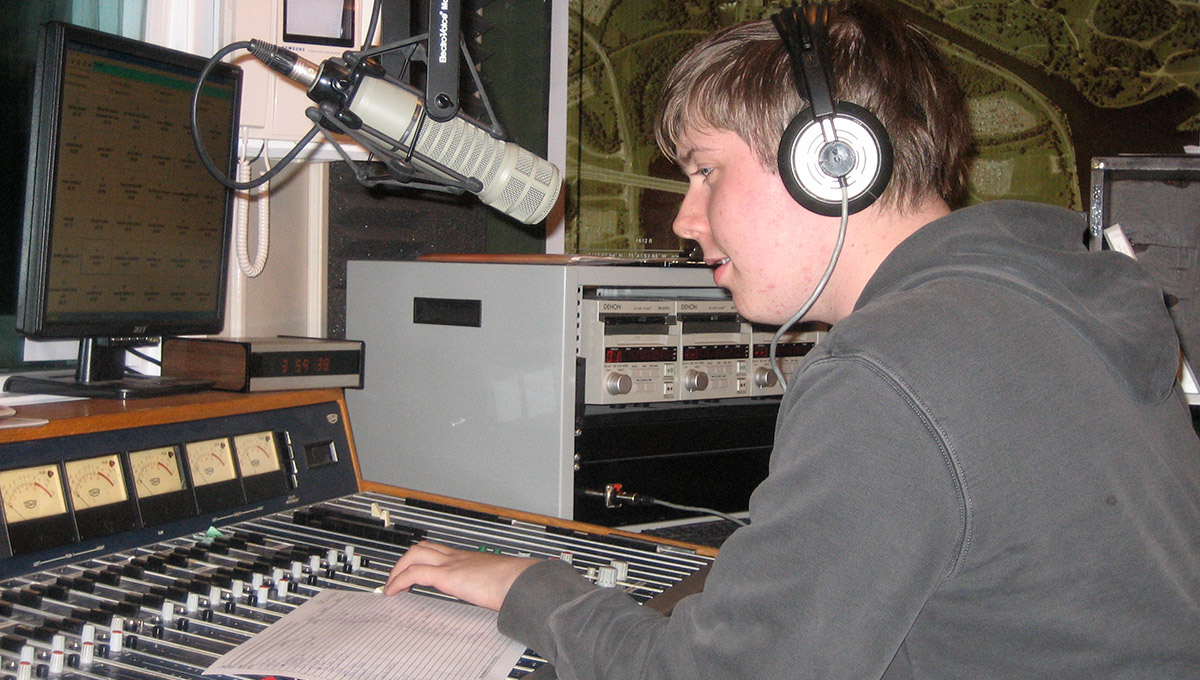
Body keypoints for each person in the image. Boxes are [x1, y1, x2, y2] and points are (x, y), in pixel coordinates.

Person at [385, 1, 1200, 677]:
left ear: (831, 163)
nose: (683, 217)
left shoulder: (894, 369)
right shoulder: (1043, 299)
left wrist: (537, 588)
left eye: (705, 169)